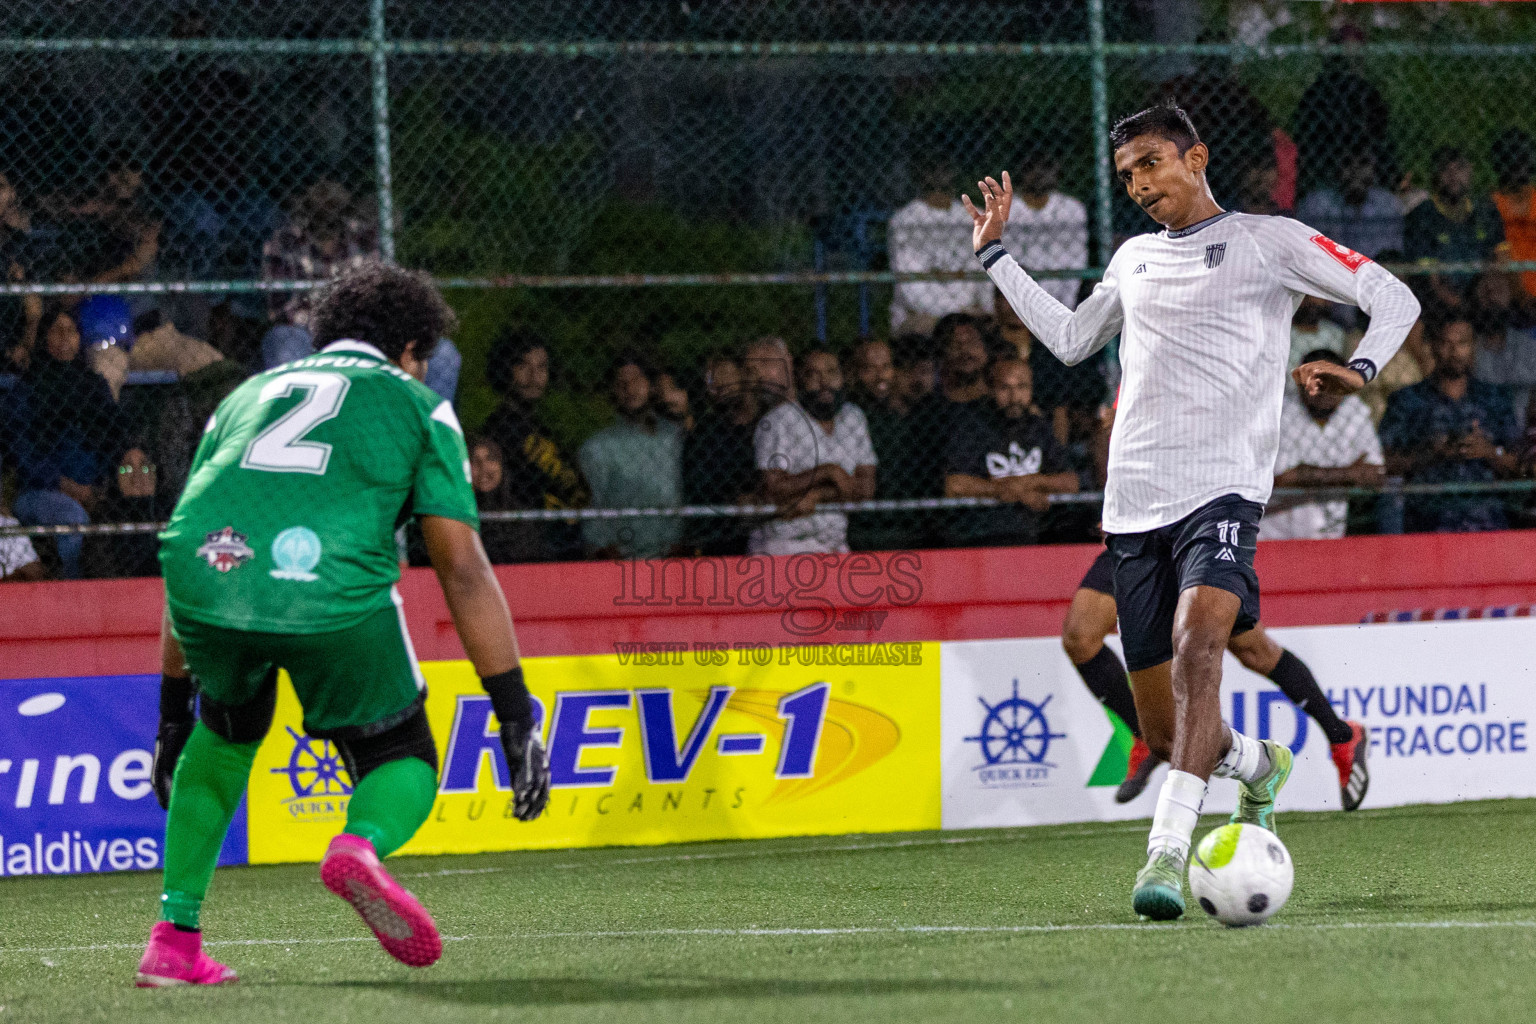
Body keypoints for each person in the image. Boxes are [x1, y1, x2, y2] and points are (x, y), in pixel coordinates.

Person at [964, 101, 1418, 919]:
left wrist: (1361, 363)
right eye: (1127, 173)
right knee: (1177, 741)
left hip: (1224, 493)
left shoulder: (1267, 241)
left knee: (1202, 639)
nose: (1139, 183)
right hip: (1134, 508)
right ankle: (1258, 764)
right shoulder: (1133, 259)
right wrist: (996, 255)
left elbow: (1392, 295)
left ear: (1195, 155)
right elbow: (1070, 340)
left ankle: (1166, 857)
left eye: (1151, 163)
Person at [138, 262, 550, 986]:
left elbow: (194, 531)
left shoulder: (243, 397)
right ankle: (359, 847)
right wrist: (514, 711)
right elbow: (461, 567)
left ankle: (174, 942)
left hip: (207, 577)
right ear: (413, 349)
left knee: (225, 730)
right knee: (403, 753)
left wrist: (171, 712)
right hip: (326, 588)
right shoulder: (420, 406)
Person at [1061, 550, 1370, 811]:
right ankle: (1143, 735)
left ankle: (1342, 736)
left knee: (1253, 650)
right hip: (1138, 536)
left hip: (1199, 533)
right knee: (1080, 638)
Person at [12, 306, 128, 578]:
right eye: (56, 330)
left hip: (93, 488)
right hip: (39, 492)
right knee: (72, 517)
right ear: (44, 339)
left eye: (72, 331)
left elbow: (113, 437)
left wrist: (98, 489)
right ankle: (73, 593)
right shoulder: (27, 388)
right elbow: (23, 454)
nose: (65, 337)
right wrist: (69, 487)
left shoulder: (93, 385)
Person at [1380, 314, 1523, 534]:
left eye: (1462, 343)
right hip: (1427, 520)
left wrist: (1489, 451)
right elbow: (1384, 463)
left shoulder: (1495, 398)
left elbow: (1520, 465)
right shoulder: (1408, 400)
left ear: (1473, 347)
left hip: (1486, 519)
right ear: (1433, 346)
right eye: (1446, 343)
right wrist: (1430, 453)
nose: (1454, 351)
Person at [750, 344, 877, 555]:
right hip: (785, 544)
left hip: (835, 543)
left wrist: (816, 495)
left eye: (831, 372)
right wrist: (828, 472)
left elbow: (865, 489)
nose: (824, 382)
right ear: (800, 381)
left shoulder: (853, 417)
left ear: (843, 377)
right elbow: (773, 488)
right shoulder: (779, 420)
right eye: (813, 375)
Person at [943, 357, 1078, 547]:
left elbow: (1070, 482)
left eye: (1022, 387)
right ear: (991, 390)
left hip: (1037, 531)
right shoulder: (974, 428)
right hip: (983, 533)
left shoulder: (1039, 428)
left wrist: (1030, 482)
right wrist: (1012, 492)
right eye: (1005, 388)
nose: (1014, 397)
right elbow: (954, 485)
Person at [480, 329, 587, 560]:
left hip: (561, 539)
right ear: (506, 369)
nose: (534, 376)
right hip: (525, 544)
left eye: (541, 367)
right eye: (523, 366)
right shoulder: (498, 430)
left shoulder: (544, 428)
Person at [1261, 349, 1385, 540]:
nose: (1325, 390)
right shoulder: (1281, 411)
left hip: (1334, 527)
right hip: (1277, 529)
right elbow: (1284, 478)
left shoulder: (1355, 410)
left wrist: (1310, 475)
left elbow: (1375, 472)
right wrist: (1349, 474)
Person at [578, 355, 684, 559]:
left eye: (636, 380)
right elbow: (594, 507)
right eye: (621, 384)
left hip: (675, 553)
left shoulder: (675, 437)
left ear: (651, 386)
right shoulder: (598, 447)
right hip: (624, 557)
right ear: (613, 391)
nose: (629, 388)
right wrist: (606, 550)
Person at [888, 157, 990, 333]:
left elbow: (982, 275)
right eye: (932, 169)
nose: (939, 175)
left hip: (969, 311)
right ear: (920, 175)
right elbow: (911, 287)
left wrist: (980, 309)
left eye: (945, 169)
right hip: (923, 314)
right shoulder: (905, 220)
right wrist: (948, 317)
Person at [1404, 147, 1508, 314]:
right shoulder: (1422, 215)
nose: (1453, 176)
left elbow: (1502, 260)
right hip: (1441, 301)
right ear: (1435, 175)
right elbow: (1431, 282)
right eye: (1445, 169)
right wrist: (1464, 308)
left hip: (1481, 292)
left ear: (1470, 171)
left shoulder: (1485, 210)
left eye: (1459, 168)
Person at [683, 353, 760, 556]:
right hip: (723, 540)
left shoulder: (769, 423)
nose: (717, 383)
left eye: (724, 373)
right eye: (710, 378)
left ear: (745, 376)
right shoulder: (704, 434)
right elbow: (699, 487)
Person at [1002, 150, 1089, 310]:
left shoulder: (1071, 208)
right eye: (1032, 168)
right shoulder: (1007, 210)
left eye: (1046, 167)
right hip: (1018, 300)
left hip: (1062, 299)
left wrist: (1066, 305)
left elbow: (1077, 260)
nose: (1040, 174)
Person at [1294, 151, 1405, 262]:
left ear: (1374, 168)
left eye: (1363, 162)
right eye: (1347, 162)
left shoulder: (1387, 203)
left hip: (1374, 271)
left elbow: (1393, 254)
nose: (1355, 170)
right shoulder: (1316, 203)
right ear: (1337, 168)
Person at [1469, 271, 1536, 429]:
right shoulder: (1469, 347)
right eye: (1486, 292)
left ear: (1509, 296)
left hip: (1523, 424)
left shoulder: (1529, 345)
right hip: (1480, 423)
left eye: (1498, 291)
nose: (1492, 298)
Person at [1490, 128, 1536, 301]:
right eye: (1511, 160)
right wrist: (1522, 297)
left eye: (1522, 159)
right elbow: (1500, 254)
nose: (1517, 166)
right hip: (1510, 297)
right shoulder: (1492, 204)